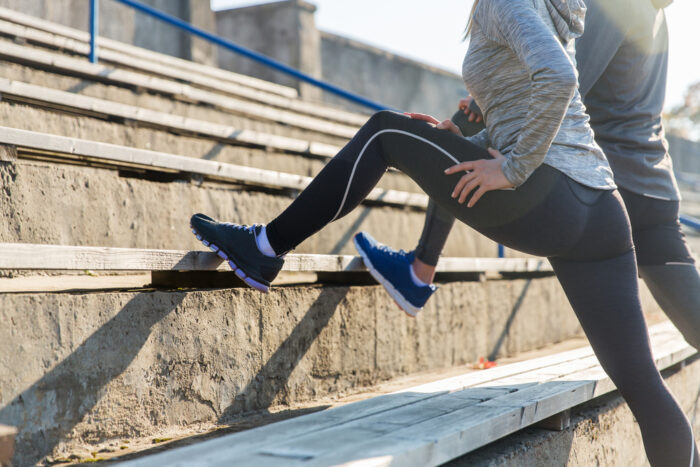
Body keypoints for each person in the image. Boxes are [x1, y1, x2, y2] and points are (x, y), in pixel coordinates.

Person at [189, 0, 697, 463]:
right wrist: (469, 139)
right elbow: (527, 96)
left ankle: (263, 248)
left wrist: (513, 168)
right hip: (602, 209)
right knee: (643, 386)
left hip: (552, 192)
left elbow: (561, 79)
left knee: (385, 131)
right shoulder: (552, 6)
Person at [361, 0, 700, 356]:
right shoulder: (654, 10)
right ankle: (420, 270)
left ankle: (421, 270)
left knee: (464, 127)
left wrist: (485, 103)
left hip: (603, 188)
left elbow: (567, 79)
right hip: (654, 192)